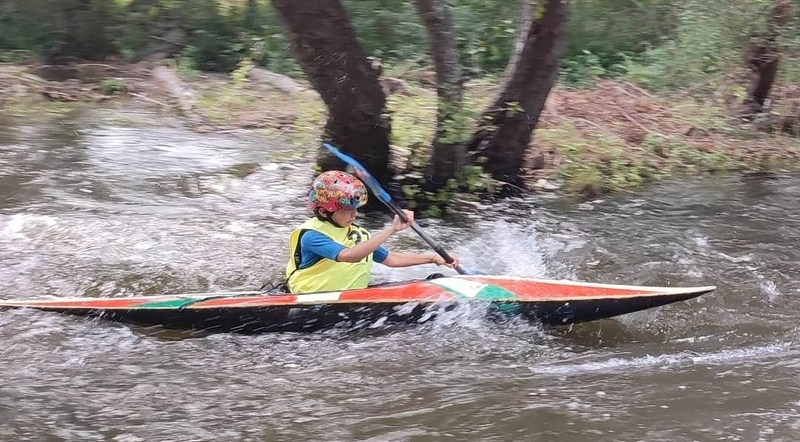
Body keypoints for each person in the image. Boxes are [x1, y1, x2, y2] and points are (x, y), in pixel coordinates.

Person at [285, 170, 460, 294]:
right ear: (324, 212)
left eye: (356, 208)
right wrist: (391, 229)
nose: (355, 214)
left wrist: (432, 258)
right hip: (308, 298)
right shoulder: (310, 236)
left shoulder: (357, 234)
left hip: (349, 297)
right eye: (347, 209)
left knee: (435, 280)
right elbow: (349, 256)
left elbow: (390, 258)